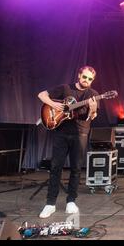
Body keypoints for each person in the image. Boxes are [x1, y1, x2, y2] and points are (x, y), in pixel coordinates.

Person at [38, 66, 99, 218]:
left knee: (76, 168)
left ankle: (71, 201)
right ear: (79, 75)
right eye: (84, 77)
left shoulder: (93, 94)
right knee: (55, 167)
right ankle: (50, 204)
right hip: (61, 133)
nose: (87, 81)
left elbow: (93, 116)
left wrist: (92, 108)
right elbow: (42, 95)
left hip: (80, 134)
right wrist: (54, 105)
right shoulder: (65, 88)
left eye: (90, 79)